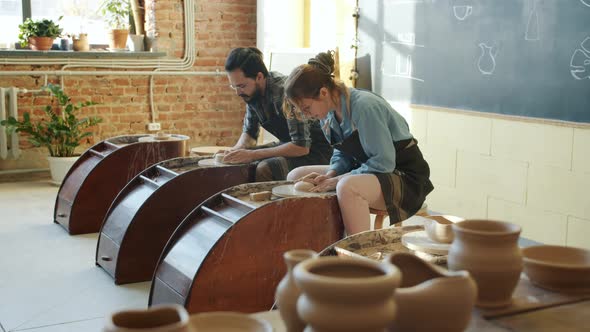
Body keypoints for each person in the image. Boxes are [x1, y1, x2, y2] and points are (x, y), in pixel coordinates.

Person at [284, 51, 434, 235]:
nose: (306, 115)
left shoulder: (364, 106)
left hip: (402, 175)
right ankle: (321, 239)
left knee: (347, 187)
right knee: (295, 175)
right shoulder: (327, 112)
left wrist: (337, 180)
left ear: (323, 92)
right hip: (368, 169)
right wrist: (331, 173)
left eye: (306, 108)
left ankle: (356, 252)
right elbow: (342, 152)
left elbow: (384, 162)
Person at [223, 47, 333, 181]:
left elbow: (301, 146)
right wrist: (235, 151)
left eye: (241, 86)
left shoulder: (286, 93)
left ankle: (269, 201)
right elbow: (250, 135)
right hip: (290, 145)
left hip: (317, 151)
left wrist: (253, 154)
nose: (238, 92)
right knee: (243, 160)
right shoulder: (251, 94)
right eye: (234, 87)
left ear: (259, 77)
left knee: (265, 168)